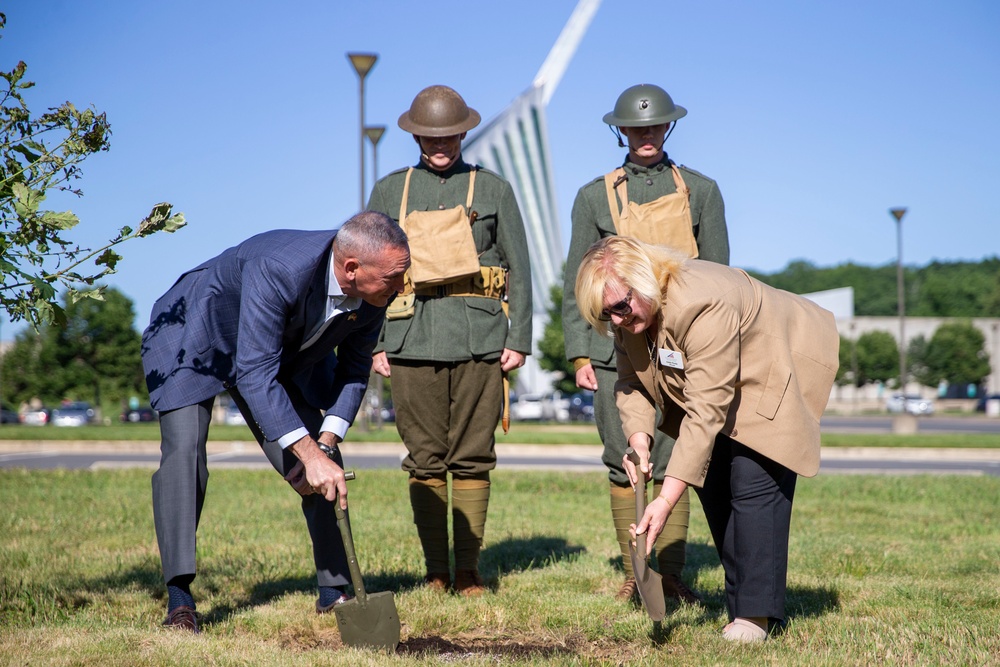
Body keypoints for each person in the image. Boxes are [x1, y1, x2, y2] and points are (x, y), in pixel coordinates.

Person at [140, 211, 410, 632]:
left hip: (269, 354)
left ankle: (335, 591)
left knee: (324, 462)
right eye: (394, 277)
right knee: (185, 451)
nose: (401, 287)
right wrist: (306, 451)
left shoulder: (376, 294)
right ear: (352, 268)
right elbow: (253, 373)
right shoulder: (281, 268)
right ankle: (180, 599)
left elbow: (355, 371)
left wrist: (322, 445)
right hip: (194, 334)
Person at [574, 236, 838, 642]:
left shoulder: (701, 303)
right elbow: (631, 383)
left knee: (753, 479)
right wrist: (639, 439)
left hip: (774, 362)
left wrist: (665, 500)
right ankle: (745, 606)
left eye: (621, 307)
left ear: (643, 282)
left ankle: (755, 618)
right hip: (719, 379)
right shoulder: (628, 315)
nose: (617, 320)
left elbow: (705, 410)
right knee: (713, 482)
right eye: (606, 314)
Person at [562, 84, 729, 605]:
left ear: (668, 126)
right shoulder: (594, 196)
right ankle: (638, 573)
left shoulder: (701, 190)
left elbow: (722, 276)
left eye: (655, 125)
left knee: (678, 453)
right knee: (624, 458)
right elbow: (579, 278)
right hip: (618, 350)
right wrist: (581, 351)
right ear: (621, 131)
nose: (646, 134)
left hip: (687, 347)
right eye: (636, 127)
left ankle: (671, 574)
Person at [367, 85, 532, 596]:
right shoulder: (389, 191)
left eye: (449, 134)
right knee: (424, 457)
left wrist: (519, 337)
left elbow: (522, 269)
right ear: (416, 134)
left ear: (464, 131)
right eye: (430, 136)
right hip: (409, 338)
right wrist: (374, 343)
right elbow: (367, 271)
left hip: (480, 337)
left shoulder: (494, 189)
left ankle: (468, 572)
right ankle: (436, 572)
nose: (440, 144)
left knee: (474, 455)